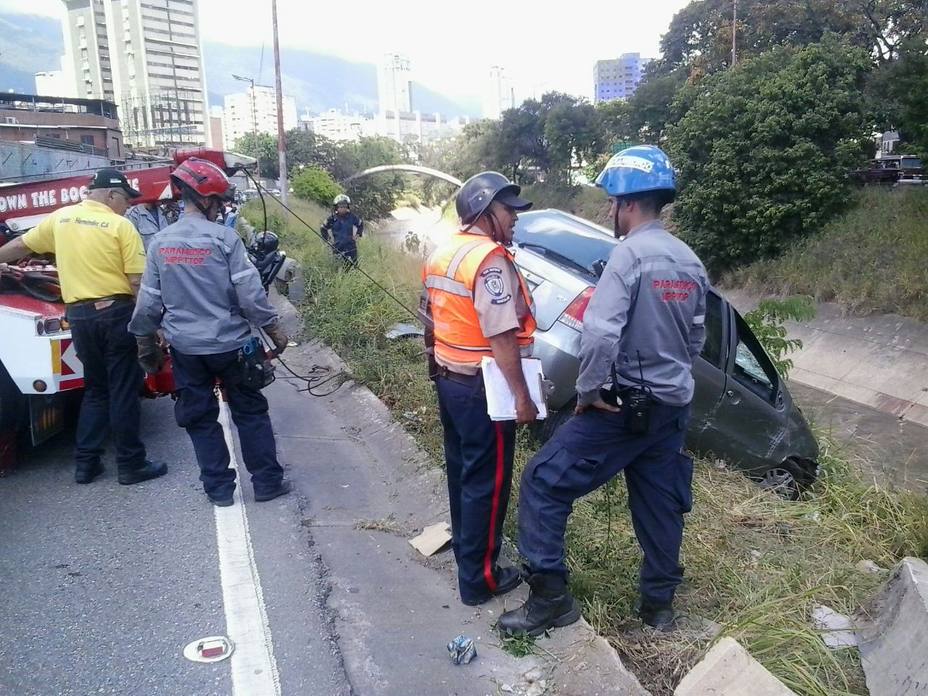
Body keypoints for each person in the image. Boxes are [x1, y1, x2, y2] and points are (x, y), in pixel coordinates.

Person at [498, 145, 710, 636]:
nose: (609, 213)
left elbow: (599, 334)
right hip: (671, 409)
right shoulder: (690, 262)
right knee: (661, 505)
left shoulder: (628, 257)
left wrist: (589, 391)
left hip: (621, 406)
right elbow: (696, 340)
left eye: (611, 203)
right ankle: (658, 608)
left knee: (543, 482)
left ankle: (550, 599)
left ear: (627, 203)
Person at [128, 158, 291, 507]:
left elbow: (148, 304)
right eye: (217, 201)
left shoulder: (159, 243)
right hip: (233, 345)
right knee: (249, 412)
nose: (220, 208)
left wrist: (146, 344)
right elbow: (250, 294)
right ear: (204, 199)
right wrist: (274, 329)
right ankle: (266, 483)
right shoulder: (226, 240)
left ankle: (218, 490)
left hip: (187, 349)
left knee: (200, 418)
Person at [0, 168, 167, 486]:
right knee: (123, 389)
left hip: (78, 317)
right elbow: (136, 281)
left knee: (96, 389)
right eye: (126, 200)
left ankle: (86, 465)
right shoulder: (120, 226)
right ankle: (131, 464)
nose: (128, 206)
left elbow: (21, 245)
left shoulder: (59, 219)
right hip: (116, 314)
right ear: (111, 195)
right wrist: (152, 325)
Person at [419, 171, 536, 606]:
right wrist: (522, 397)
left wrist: (434, 363)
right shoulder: (488, 260)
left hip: (450, 383)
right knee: (488, 482)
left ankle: (468, 559)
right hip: (484, 390)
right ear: (486, 213)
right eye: (510, 211)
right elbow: (502, 334)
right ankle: (480, 578)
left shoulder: (443, 251)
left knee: (463, 474)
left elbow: (428, 317)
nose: (515, 220)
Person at [320, 194, 363, 266]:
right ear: (336, 207)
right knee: (339, 267)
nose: (343, 208)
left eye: (345, 206)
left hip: (351, 247)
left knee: (354, 267)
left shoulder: (352, 216)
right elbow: (323, 228)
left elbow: (360, 224)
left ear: (347, 206)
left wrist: (358, 235)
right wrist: (328, 240)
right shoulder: (332, 218)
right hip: (337, 247)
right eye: (340, 206)